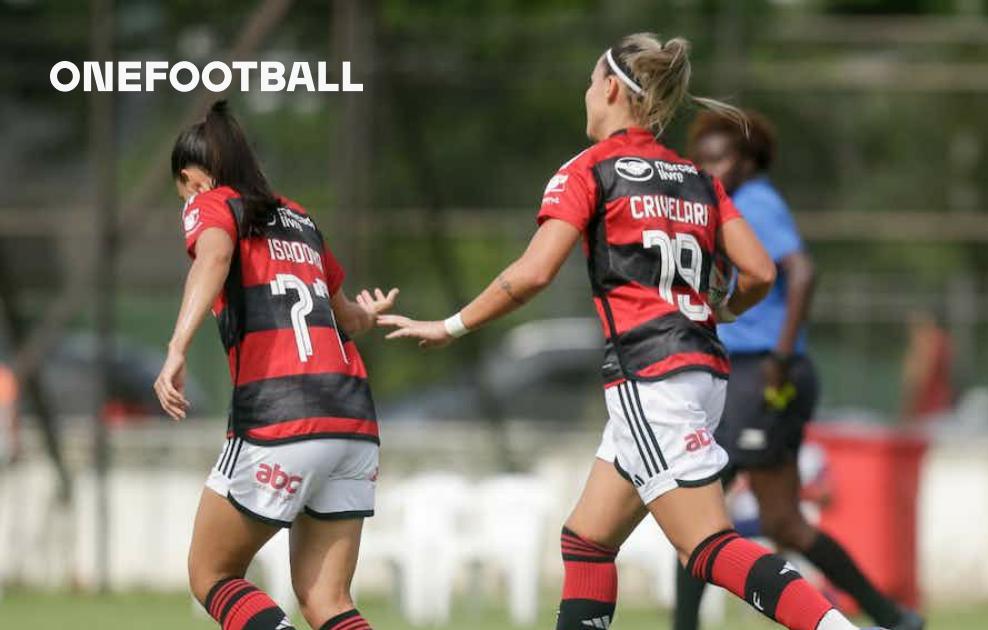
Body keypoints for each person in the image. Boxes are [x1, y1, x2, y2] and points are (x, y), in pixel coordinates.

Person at [381, 33, 874, 630]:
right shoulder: (697, 178)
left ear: (611, 88)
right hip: (700, 371)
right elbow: (762, 271)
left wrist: (451, 325)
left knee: (707, 547)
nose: (587, 95)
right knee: (587, 540)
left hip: (650, 379)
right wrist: (721, 310)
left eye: (591, 84)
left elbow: (534, 273)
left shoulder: (589, 169)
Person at [675, 110, 924, 630]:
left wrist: (780, 360)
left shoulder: (755, 204)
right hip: (749, 375)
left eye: (719, 158)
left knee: (697, 513)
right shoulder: (727, 204)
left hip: (761, 374)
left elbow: (802, 271)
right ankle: (893, 618)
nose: (708, 168)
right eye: (701, 160)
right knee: (783, 522)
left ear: (747, 161)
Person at [153, 101, 396, 630]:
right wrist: (367, 314)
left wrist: (176, 349)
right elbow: (345, 316)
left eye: (183, 192)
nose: (186, 207)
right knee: (328, 600)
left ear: (192, 178)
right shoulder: (299, 216)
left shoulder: (212, 202)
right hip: (352, 421)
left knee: (211, 574)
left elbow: (215, 257)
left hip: (281, 416)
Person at [901, 309, 954, 425]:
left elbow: (918, 379)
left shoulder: (926, 342)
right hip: (940, 410)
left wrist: (907, 413)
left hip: (928, 414)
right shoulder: (942, 340)